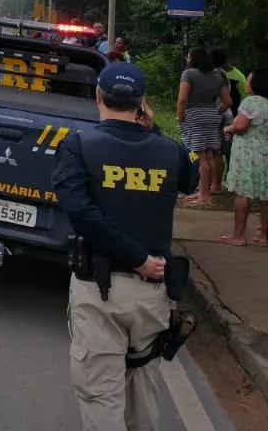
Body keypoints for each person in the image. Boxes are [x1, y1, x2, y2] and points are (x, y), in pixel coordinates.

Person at [52, 63, 198, 431]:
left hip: (101, 292)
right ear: (142, 103)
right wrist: (155, 129)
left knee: (102, 394)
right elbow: (192, 178)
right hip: (154, 295)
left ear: (98, 96)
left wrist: (135, 259)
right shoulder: (169, 152)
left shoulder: (78, 146)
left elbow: (80, 213)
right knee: (142, 391)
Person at [177, 47, 232, 206]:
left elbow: (182, 99)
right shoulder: (216, 76)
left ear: (193, 59)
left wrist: (181, 117)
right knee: (209, 154)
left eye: (188, 57)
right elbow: (228, 102)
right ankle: (205, 191)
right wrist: (215, 111)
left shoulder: (188, 74)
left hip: (194, 115)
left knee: (200, 157)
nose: (187, 59)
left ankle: (203, 196)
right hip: (212, 115)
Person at [222, 70, 268, 246]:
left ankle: (238, 235)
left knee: (242, 193)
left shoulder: (250, 102)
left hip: (247, 154)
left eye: (248, 79)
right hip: (265, 152)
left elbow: (241, 126)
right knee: (265, 197)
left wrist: (228, 129)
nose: (246, 82)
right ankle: (264, 235)